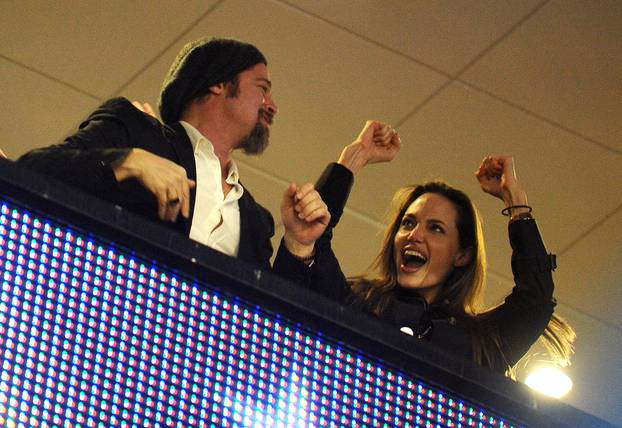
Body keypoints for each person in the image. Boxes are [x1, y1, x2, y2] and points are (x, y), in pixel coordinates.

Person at [275, 155, 574, 373]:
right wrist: (353, 159)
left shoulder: (478, 345)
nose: (414, 236)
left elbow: (535, 298)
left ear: (463, 255)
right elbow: (312, 236)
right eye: (408, 223)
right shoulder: (356, 303)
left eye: (436, 228)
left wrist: (515, 200)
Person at [18, 37, 288, 269]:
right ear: (218, 82)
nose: (273, 106)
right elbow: (31, 171)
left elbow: (277, 317)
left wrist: (303, 246)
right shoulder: (137, 133)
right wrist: (126, 161)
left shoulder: (256, 221)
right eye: (262, 89)